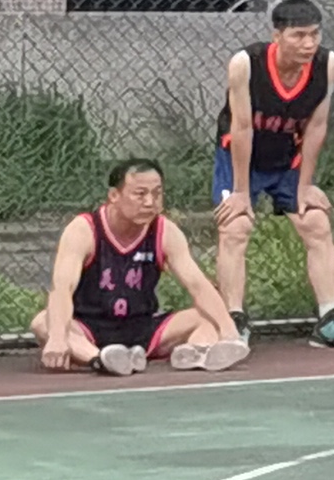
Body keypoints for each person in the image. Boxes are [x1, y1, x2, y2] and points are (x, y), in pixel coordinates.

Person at [216, 0, 334, 348]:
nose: (309, 43)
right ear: (277, 36)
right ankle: (232, 322)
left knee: (316, 222)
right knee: (235, 227)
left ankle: (329, 320)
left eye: (314, 34)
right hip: (241, 157)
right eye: (299, 35)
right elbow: (242, 127)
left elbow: (317, 125)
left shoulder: (329, 66)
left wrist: (305, 185)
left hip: (287, 159)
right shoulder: (246, 64)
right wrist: (241, 192)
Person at [34, 158, 249, 374]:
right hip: (89, 327)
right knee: (43, 323)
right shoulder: (84, 229)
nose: (149, 202)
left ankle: (196, 351)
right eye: (140, 194)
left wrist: (229, 331)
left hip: (143, 327)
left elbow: (198, 285)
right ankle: (102, 359)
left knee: (207, 318)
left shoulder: (165, 231)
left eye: (157, 194)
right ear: (114, 196)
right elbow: (62, 288)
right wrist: (58, 339)